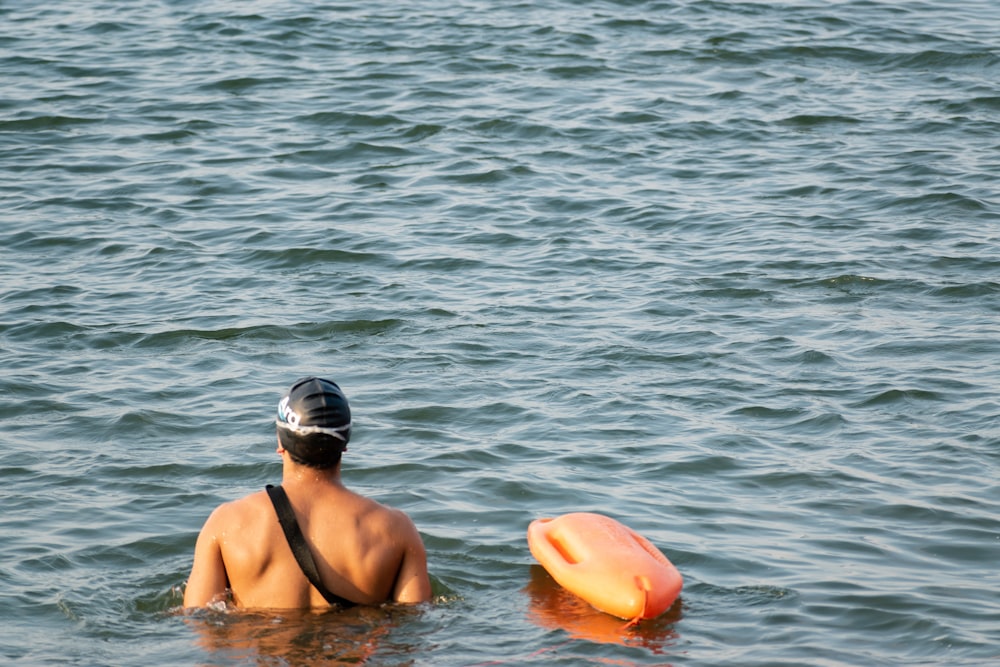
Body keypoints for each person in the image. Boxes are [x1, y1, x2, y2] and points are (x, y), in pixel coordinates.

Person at [184, 377, 431, 609]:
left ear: (281, 443)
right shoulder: (394, 530)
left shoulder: (227, 524)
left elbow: (199, 625)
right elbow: (414, 630)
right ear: (344, 444)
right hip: (352, 652)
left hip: (263, 652)